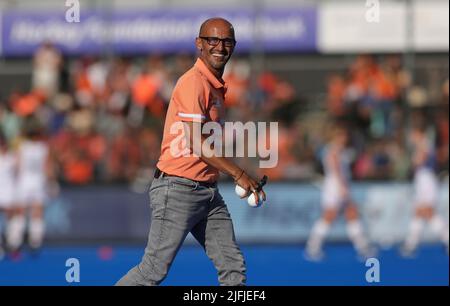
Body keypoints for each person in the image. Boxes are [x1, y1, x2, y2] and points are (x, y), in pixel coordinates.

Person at [116, 18, 266, 286]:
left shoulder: (214, 85)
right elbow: (196, 143)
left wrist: (237, 173)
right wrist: (239, 173)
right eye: (213, 40)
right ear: (199, 44)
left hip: (207, 191)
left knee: (233, 266)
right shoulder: (193, 82)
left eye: (227, 41)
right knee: (152, 271)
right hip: (178, 188)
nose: (220, 46)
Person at [305, 125, 373, 261]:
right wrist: (342, 187)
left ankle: (362, 247)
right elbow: (335, 170)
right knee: (329, 216)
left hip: (340, 186)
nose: (344, 138)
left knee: (352, 214)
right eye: (341, 136)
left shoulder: (341, 150)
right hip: (335, 188)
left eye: (345, 136)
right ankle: (312, 246)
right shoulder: (332, 150)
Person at [400, 122, 449, 257]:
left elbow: (419, 161)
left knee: (428, 211)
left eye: (413, 134)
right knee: (418, 212)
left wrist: (414, 161)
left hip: (426, 180)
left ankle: (446, 237)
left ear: (418, 133)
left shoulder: (423, 144)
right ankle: (411, 244)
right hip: (423, 180)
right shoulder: (424, 144)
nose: (411, 137)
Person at [8, 123, 52, 253]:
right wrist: (50, 182)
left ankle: (15, 240)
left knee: (20, 211)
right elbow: (47, 167)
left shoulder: (22, 147)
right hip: (38, 182)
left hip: (24, 182)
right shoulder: (43, 148)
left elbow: (17, 166)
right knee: (37, 211)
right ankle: (35, 240)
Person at [0, 131, 17, 259]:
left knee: (11, 219)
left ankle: (12, 245)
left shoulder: (12, 158)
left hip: (9, 192)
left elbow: (18, 174)